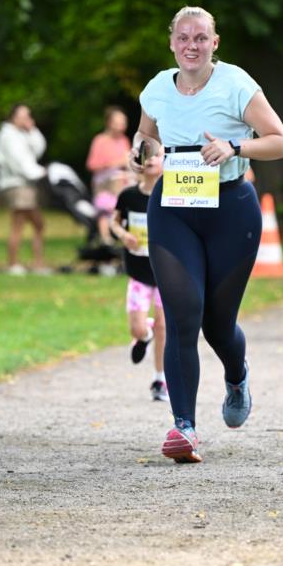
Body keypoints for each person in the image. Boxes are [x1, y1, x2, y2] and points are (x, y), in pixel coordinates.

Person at [131, 5, 283, 464]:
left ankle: (237, 375)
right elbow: (146, 135)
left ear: (214, 43)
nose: (191, 45)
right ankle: (184, 427)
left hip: (231, 210)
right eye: (183, 37)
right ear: (171, 42)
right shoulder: (158, 87)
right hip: (174, 208)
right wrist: (140, 153)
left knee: (217, 324)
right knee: (183, 315)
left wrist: (235, 146)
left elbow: (280, 140)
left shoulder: (236, 83)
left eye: (201, 37)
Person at [110, 144, 169, 401]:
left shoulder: (174, 193)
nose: (152, 160)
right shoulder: (129, 196)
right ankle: (142, 337)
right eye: (147, 156)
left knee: (164, 326)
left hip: (167, 271)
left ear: (165, 160)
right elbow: (114, 221)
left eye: (157, 155)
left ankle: (160, 380)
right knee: (136, 328)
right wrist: (124, 235)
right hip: (139, 270)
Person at [0, 103, 51, 275]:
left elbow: (38, 149)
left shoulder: (22, 134)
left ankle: (36, 263)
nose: (27, 119)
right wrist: (39, 172)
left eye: (29, 115)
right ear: (13, 117)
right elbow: (19, 162)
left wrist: (32, 130)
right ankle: (14, 264)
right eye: (24, 116)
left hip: (26, 185)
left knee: (37, 224)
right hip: (17, 185)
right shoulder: (8, 135)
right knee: (21, 224)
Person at [86, 107, 133, 245]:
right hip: (105, 184)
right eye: (118, 123)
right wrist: (114, 163)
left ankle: (121, 238)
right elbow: (91, 165)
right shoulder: (100, 140)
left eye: (123, 122)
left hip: (121, 182)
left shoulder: (124, 140)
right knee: (105, 211)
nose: (121, 126)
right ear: (109, 123)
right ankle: (106, 239)